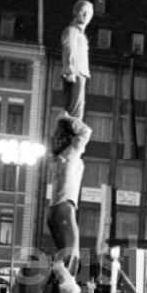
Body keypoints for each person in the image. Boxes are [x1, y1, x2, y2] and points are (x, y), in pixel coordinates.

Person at [47, 114, 92, 277]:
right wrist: (69, 119)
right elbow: (86, 132)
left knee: (64, 256)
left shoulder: (58, 159)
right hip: (64, 208)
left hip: (53, 210)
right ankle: (64, 291)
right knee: (71, 256)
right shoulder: (70, 155)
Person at [61, 0, 92, 119]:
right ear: (75, 12)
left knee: (77, 109)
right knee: (75, 110)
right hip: (75, 73)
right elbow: (68, 49)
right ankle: (71, 132)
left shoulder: (80, 33)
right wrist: (70, 71)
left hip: (80, 73)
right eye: (83, 11)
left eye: (89, 13)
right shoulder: (71, 31)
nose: (86, 15)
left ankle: (72, 130)